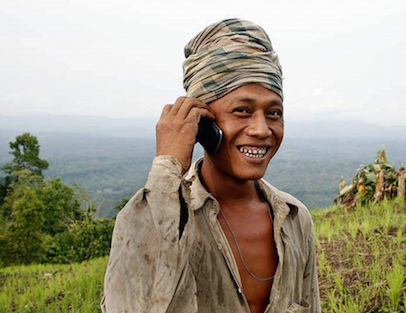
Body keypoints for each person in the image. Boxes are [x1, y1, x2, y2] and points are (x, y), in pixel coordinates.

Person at [101, 18, 321, 313]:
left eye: (273, 112)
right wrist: (168, 167)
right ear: (202, 121)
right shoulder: (163, 218)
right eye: (242, 110)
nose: (261, 129)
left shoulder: (295, 220)